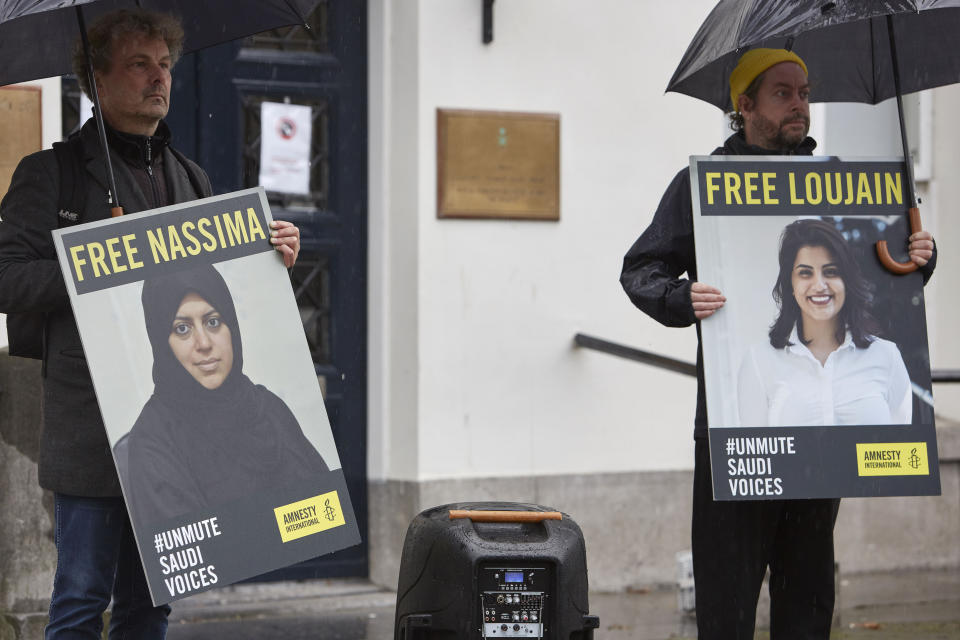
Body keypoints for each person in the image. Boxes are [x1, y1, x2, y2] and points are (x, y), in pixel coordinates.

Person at [0, 9, 301, 639]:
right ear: (97, 80)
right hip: (91, 431)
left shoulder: (191, 180)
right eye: (139, 64)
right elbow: (7, 278)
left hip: (182, 435)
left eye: (164, 64)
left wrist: (269, 253)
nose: (158, 78)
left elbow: (221, 292)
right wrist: (90, 265)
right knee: (81, 599)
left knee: (150, 606)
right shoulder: (48, 176)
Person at [620, 49, 936, 639]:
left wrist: (920, 259)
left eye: (805, 92)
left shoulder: (837, 185)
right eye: (783, 93)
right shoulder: (702, 184)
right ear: (745, 107)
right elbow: (641, 270)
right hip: (736, 434)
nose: (800, 105)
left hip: (822, 447)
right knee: (727, 603)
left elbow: (882, 284)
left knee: (809, 602)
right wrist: (680, 298)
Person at [121, 264, 329, 527]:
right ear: (162, 342)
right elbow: (195, 551)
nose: (205, 343)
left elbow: (325, 512)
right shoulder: (154, 438)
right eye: (182, 329)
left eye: (213, 322)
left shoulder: (267, 407)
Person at [738, 219, 912, 428]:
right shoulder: (758, 361)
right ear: (790, 284)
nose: (819, 285)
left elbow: (902, 448)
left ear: (846, 281)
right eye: (805, 273)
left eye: (831, 271)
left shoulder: (887, 356)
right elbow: (756, 455)